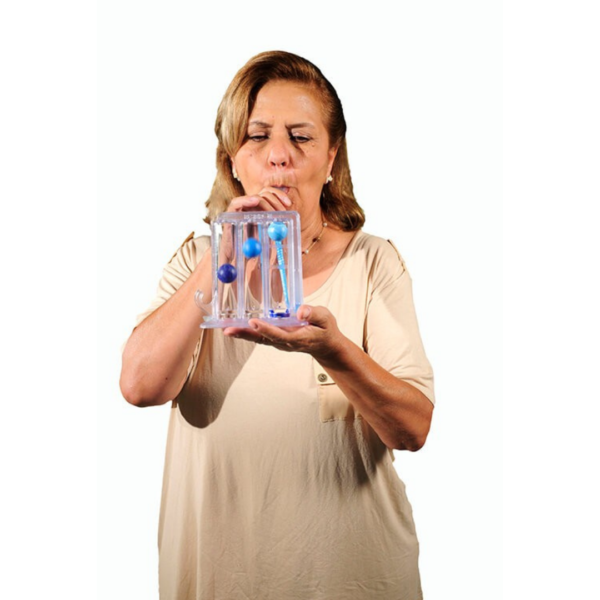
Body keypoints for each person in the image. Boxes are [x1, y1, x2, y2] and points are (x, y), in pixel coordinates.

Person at [120, 50, 435, 600]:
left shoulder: (372, 263)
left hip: (350, 579)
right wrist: (220, 255)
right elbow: (140, 386)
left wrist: (334, 351)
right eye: (258, 136)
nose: (280, 156)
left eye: (301, 137)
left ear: (332, 157)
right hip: (219, 578)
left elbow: (413, 429)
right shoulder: (195, 262)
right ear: (232, 162)